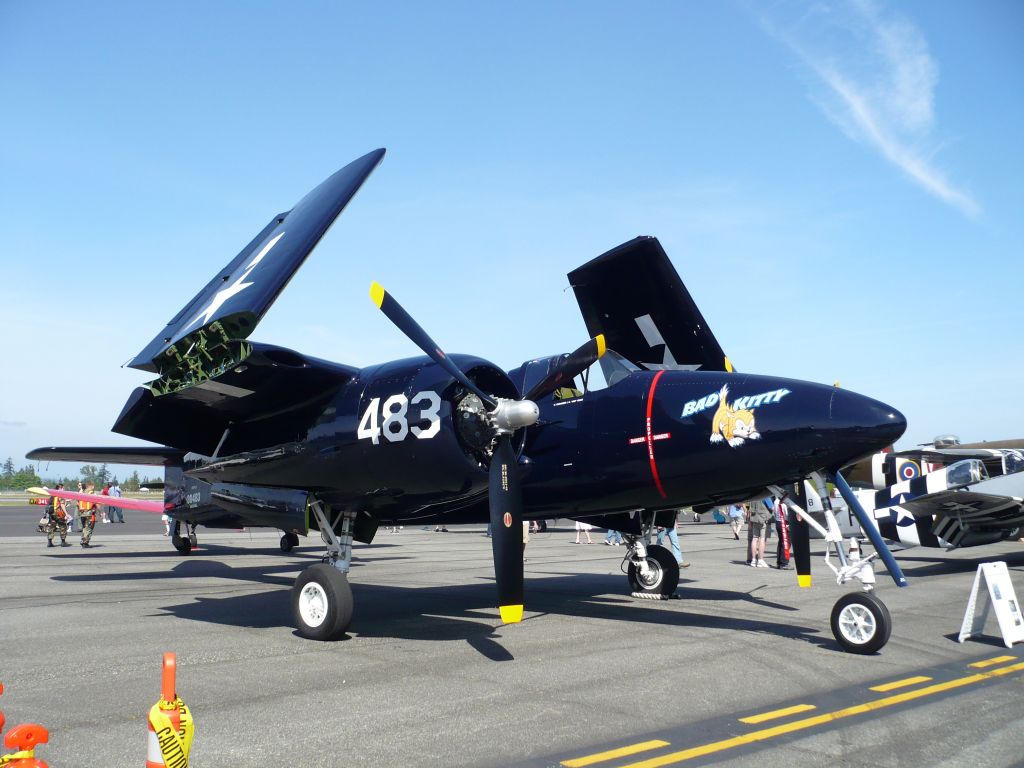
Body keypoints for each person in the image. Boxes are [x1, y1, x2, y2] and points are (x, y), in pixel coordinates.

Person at [748, 499, 772, 567]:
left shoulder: (753, 495)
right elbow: (771, 507)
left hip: (754, 518)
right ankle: (760, 560)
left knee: (754, 538)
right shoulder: (765, 496)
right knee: (762, 538)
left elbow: (749, 507)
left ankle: (753, 560)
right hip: (763, 518)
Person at [774, 495, 791, 569]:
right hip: (784, 522)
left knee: (781, 542)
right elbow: (787, 514)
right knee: (786, 543)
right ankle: (784, 562)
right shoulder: (784, 502)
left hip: (778, 522)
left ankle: (779, 562)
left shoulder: (775, 501)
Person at [79, 482, 98, 547]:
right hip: (89, 513)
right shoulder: (92, 493)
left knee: (84, 528)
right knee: (89, 528)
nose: (94, 487)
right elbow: (96, 503)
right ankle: (85, 542)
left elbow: (77, 502)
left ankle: (83, 540)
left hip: (82, 513)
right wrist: (101, 512)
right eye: (93, 486)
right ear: (91, 486)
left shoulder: (82, 493)